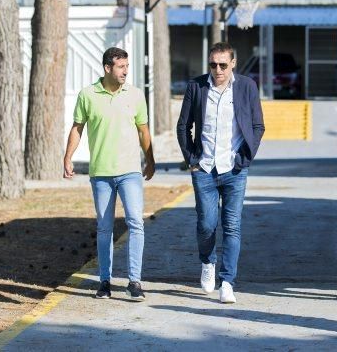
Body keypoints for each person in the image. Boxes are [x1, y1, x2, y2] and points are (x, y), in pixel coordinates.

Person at [63, 47, 155, 301]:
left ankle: (134, 281)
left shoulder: (135, 95)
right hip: (101, 173)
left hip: (130, 172)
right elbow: (77, 128)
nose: (126, 71)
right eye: (121, 67)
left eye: (127, 66)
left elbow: (143, 130)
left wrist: (150, 159)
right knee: (104, 228)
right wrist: (68, 157)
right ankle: (104, 281)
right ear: (107, 68)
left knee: (136, 222)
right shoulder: (87, 95)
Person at [176, 42, 265, 304]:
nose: (218, 70)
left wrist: (244, 158)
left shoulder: (247, 86)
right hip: (204, 168)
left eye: (223, 65)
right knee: (206, 225)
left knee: (232, 226)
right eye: (213, 64)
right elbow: (183, 126)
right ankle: (207, 261)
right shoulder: (197, 86)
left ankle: (228, 282)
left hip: (234, 169)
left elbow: (258, 125)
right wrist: (192, 159)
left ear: (233, 63)